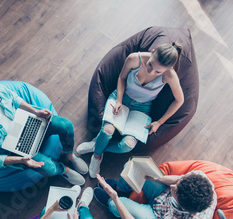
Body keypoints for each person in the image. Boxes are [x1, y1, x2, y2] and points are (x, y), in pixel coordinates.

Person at [77, 43, 185, 178]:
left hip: (142, 107)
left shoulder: (170, 75)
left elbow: (180, 100)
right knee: (107, 130)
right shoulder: (134, 59)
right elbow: (121, 78)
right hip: (121, 96)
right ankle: (97, 156)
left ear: (168, 69)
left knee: (128, 145)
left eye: (158, 72)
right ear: (152, 52)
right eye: (150, 64)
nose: (151, 71)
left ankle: (97, 145)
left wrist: (160, 122)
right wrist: (119, 101)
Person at [0, 82, 88, 185]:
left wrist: (35, 111)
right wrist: (21, 160)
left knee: (66, 125)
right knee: (48, 168)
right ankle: (63, 170)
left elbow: (15, 99)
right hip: (16, 147)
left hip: (28, 121)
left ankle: (68, 154)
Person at [94, 169, 216, 219]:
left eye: (175, 191)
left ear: (182, 206)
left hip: (158, 217)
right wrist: (157, 178)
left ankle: (111, 200)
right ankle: (120, 188)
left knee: (117, 204)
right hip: (163, 195)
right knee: (133, 169)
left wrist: (115, 198)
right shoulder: (201, 180)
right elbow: (178, 179)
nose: (173, 186)